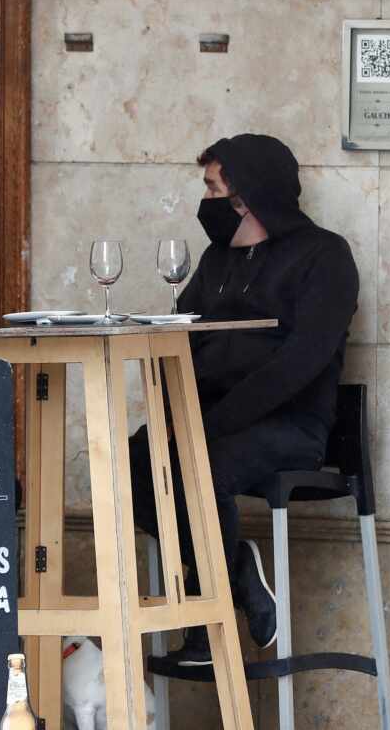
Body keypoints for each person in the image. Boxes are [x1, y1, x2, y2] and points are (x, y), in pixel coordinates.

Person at [130, 134, 360, 666]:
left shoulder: (324, 256)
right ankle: (237, 574)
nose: (205, 200)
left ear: (246, 196)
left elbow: (301, 363)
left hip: (289, 427)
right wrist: (173, 413)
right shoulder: (216, 261)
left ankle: (205, 632)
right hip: (211, 424)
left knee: (196, 463)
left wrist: (206, 424)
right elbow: (178, 336)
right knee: (133, 461)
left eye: (213, 187)